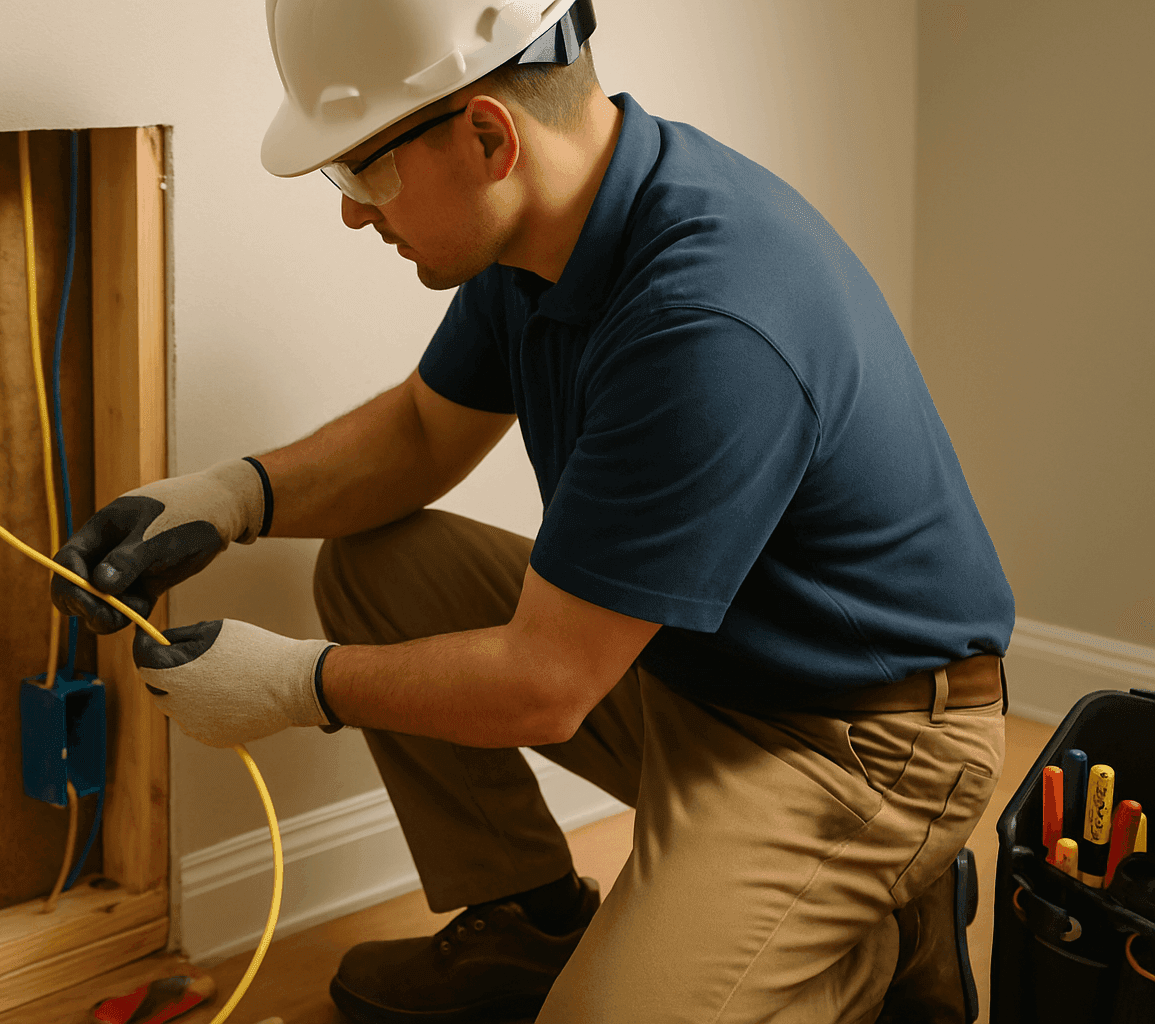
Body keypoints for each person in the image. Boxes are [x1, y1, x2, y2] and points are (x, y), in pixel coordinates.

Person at [52, 1, 1013, 1020]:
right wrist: (229, 496)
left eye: (362, 172)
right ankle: (531, 920)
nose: (353, 214)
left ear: (487, 137)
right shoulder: (548, 234)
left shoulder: (707, 319)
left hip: (858, 741)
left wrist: (297, 684)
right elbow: (423, 434)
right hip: (691, 665)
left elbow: (546, 684)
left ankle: (877, 940)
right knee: (380, 568)